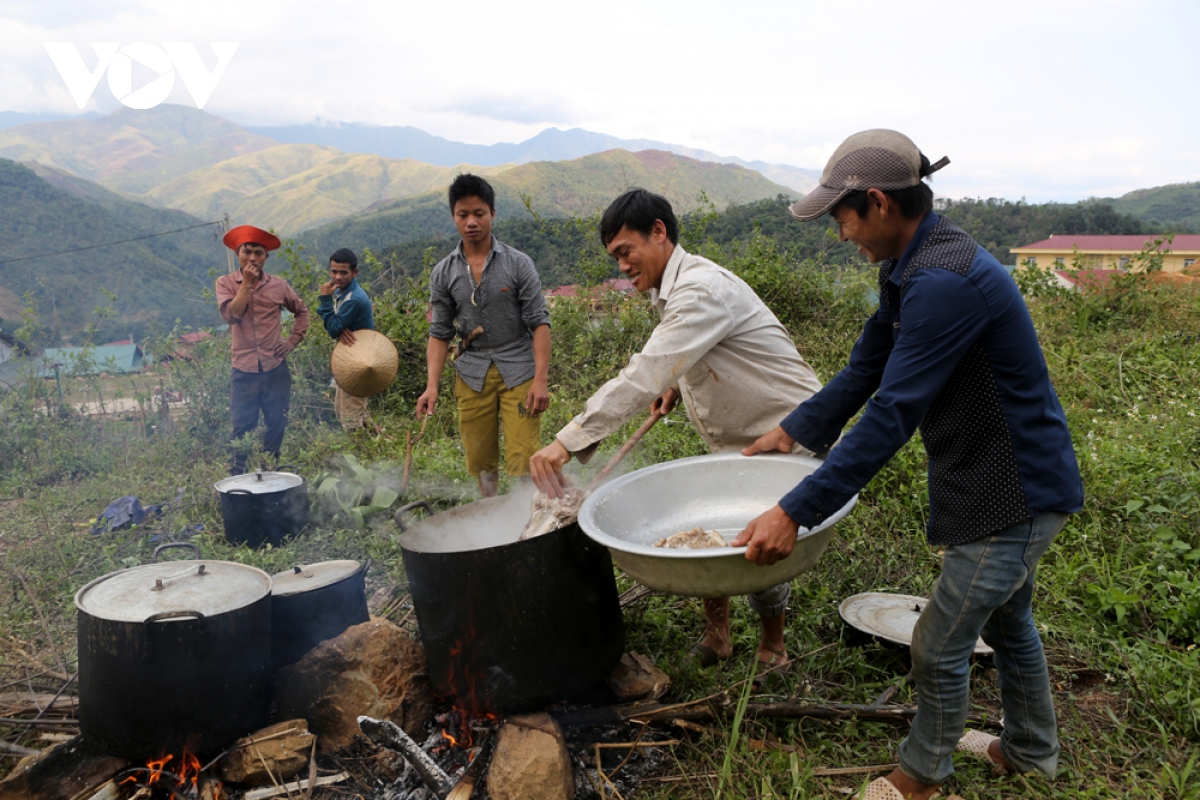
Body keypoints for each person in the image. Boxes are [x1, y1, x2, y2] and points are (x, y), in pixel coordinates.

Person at [734, 130, 1084, 800]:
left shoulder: (945, 282)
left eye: (841, 219)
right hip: (994, 476)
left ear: (878, 204)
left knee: (939, 641)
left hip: (1016, 489)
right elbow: (867, 366)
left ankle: (921, 777)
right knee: (1009, 622)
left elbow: (891, 414)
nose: (841, 235)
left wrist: (793, 511)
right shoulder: (912, 267)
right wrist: (795, 430)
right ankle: (1031, 753)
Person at [529, 189, 824, 681]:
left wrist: (569, 439)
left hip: (783, 429)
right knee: (707, 521)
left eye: (626, 251)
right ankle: (719, 636)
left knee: (762, 536)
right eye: (615, 257)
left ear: (659, 233)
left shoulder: (700, 289)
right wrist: (676, 385)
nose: (622, 265)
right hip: (738, 433)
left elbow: (648, 368)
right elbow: (684, 357)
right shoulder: (669, 286)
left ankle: (773, 645)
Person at [416, 174, 551, 497]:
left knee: (524, 455)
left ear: (492, 213)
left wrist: (541, 380)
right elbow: (440, 332)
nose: (471, 222)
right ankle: (491, 517)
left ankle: (527, 522)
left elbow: (539, 323)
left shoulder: (518, 264)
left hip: (518, 368)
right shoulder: (444, 272)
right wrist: (431, 386)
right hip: (472, 371)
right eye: (463, 215)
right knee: (480, 457)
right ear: (454, 217)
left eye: (479, 213)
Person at [215, 224, 310, 474]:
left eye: (259, 253)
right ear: (238, 254)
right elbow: (231, 316)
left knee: (277, 421)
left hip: (274, 367)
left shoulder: (279, 285)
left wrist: (291, 341)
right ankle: (237, 476)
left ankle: (270, 469)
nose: (253, 258)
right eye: (247, 252)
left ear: (266, 256)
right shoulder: (225, 283)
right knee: (241, 425)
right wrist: (246, 284)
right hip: (244, 370)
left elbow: (302, 311)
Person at [316, 247, 375, 430]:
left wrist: (325, 301)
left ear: (354, 272)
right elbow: (337, 325)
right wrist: (340, 326)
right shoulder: (342, 292)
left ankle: (361, 454)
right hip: (350, 357)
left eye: (343, 272)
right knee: (346, 409)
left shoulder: (353, 299)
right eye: (334, 271)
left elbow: (334, 328)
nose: (337, 277)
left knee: (350, 416)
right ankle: (379, 442)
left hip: (358, 361)